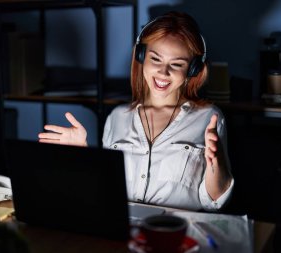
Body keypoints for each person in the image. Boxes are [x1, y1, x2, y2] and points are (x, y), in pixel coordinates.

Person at [38, 11, 234, 211]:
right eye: (155, 59)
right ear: (141, 57)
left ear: (192, 70)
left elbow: (214, 202)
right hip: (123, 230)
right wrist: (83, 154)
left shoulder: (208, 118)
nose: (163, 72)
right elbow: (105, 191)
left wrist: (215, 162)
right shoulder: (117, 117)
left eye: (176, 64)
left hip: (177, 232)